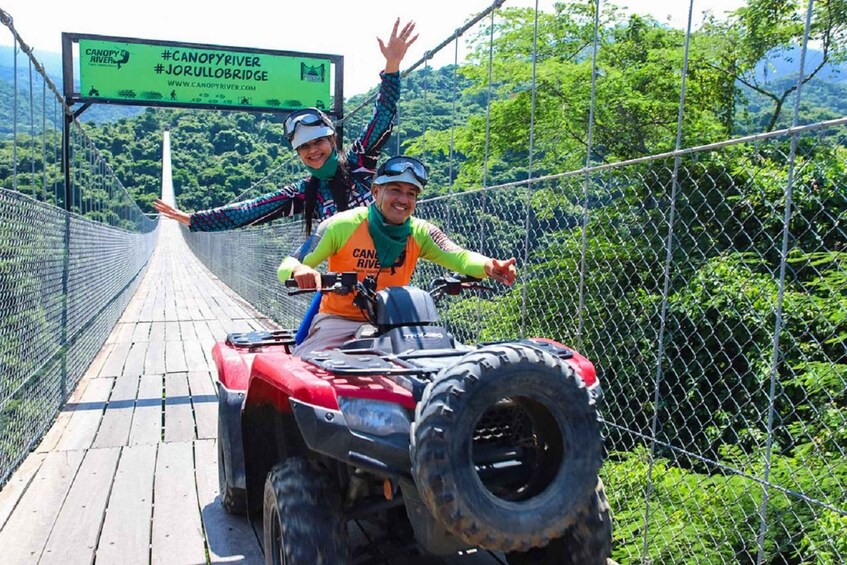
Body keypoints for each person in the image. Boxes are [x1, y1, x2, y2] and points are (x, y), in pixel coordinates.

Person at [152, 18, 418, 235]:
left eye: (318, 142)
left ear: (333, 140)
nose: (313, 150)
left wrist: (392, 66)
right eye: (304, 147)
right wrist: (193, 219)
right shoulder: (305, 193)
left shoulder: (360, 161)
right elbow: (250, 210)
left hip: (388, 264)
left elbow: (383, 116)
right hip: (344, 276)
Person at [277, 155, 518, 355]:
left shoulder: (420, 232)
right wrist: (301, 271)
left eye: (411, 193)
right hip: (340, 321)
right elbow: (290, 262)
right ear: (375, 191)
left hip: (397, 324)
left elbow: (459, 256)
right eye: (395, 190)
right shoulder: (341, 225)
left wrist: (489, 266)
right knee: (310, 367)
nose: (404, 199)